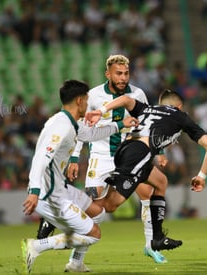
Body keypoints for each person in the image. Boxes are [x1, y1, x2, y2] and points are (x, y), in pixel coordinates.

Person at [59, 54, 167, 263]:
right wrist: (74, 157)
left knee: (148, 192)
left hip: (130, 158)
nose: (123, 78)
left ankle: (150, 245)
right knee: (97, 209)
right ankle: (75, 260)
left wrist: (159, 151)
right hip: (101, 157)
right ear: (108, 74)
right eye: (118, 73)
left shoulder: (137, 93)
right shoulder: (94, 96)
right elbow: (82, 127)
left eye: (126, 73)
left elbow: (148, 124)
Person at [21, 79, 137, 273]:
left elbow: (90, 134)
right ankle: (36, 246)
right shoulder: (61, 127)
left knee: (97, 213)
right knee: (94, 234)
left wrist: (121, 125)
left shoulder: (67, 122)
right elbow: (40, 158)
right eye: (87, 100)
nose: (88, 104)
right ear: (80, 101)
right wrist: (34, 191)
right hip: (49, 195)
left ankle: (76, 263)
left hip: (61, 189)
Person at [85, 89, 207, 251]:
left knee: (161, 182)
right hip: (138, 155)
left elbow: (126, 99)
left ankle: (157, 238)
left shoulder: (147, 108)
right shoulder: (181, 116)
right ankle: (67, 210)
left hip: (126, 149)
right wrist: (202, 176)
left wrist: (101, 111)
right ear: (180, 106)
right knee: (110, 205)